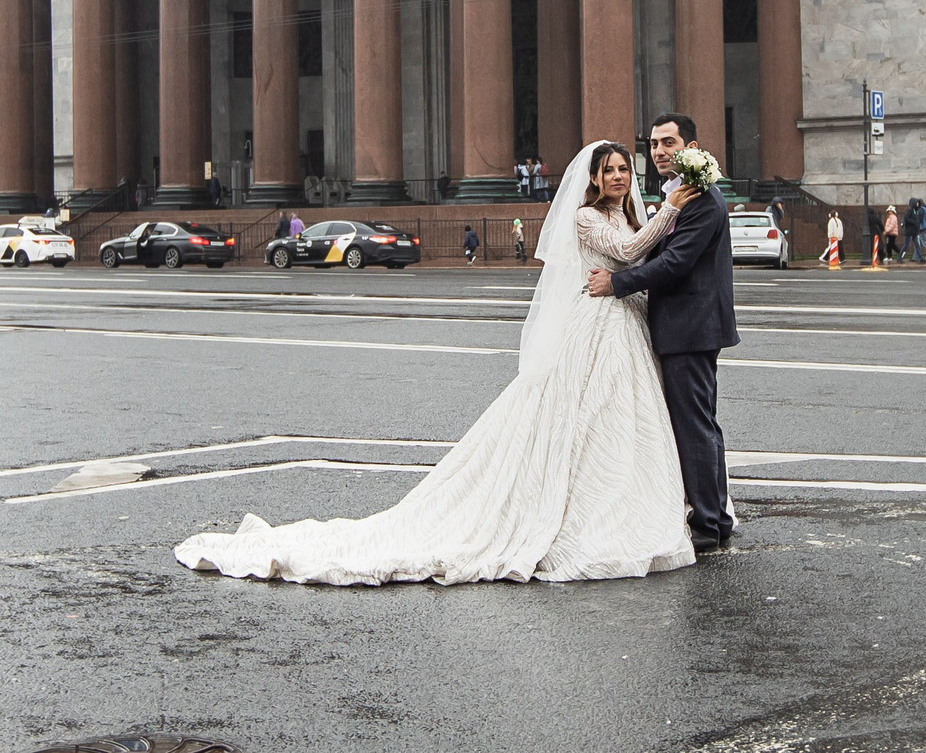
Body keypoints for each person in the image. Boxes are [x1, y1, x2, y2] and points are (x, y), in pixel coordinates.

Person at [177, 138, 699, 583]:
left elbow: (639, 249)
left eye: (622, 169)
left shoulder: (628, 212)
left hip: (624, 324)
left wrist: (663, 216)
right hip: (595, 329)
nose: (616, 175)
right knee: (580, 420)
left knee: (616, 423)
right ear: (590, 178)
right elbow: (630, 253)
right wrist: (673, 206)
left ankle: (623, 506)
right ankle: (580, 517)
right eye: (607, 170)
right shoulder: (588, 218)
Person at [592, 112, 739, 554]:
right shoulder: (679, 194)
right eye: (654, 144)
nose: (658, 151)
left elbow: (675, 263)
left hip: (690, 326)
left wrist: (616, 283)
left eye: (668, 143)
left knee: (694, 426)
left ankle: (708, 525)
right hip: (690, 325)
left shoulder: (702, 200)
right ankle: (718, 516)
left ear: (691, 147)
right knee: (702, 423)